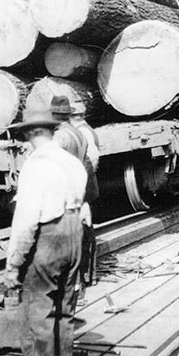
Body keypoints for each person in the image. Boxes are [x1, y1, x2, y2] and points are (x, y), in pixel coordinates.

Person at [4, 107, 87, 356]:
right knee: (64, 312)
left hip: (49, 238)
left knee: (38, 313)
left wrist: (13, 264)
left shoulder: (35, 165)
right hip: (74, 233)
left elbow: (26, 221)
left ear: (29, 133)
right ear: (52, 131)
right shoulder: (72, 162)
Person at [50, 95, 100, 291]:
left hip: (66, 193)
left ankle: (73, 285)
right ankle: (87, 277)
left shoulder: (60, 137)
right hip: (80, 191)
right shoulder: (78, 133)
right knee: (84, 234)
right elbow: (86, 163)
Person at [69, 105, 100, 288]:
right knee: (85, 233)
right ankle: (87, 276)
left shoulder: (83, 133)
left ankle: (86, 276)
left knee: (85, 234)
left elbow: (92, 161)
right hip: (85, 189)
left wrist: (82, 194)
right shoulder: (85, 130)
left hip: (84, 191)